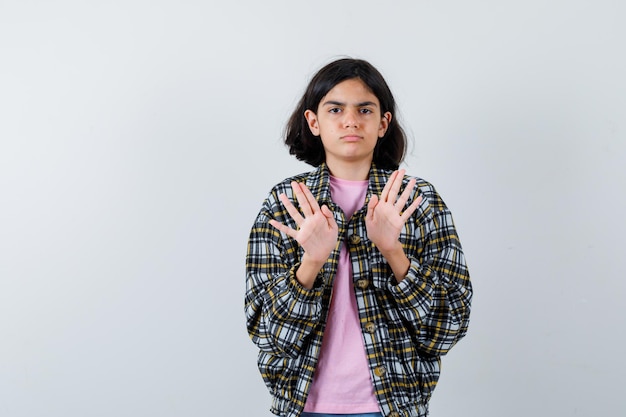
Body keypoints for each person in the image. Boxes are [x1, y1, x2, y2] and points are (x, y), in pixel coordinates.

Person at [245, 58, 472, 417]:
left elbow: (448, 328)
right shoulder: (284, 203)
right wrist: (311, 262)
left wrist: (393, 251)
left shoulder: (419, 200)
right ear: (313, 121)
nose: (351, 120)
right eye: (335, 109)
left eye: (365, 109)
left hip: (394, 406)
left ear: (383, 123)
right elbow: (268, 335)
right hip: (303, 406)